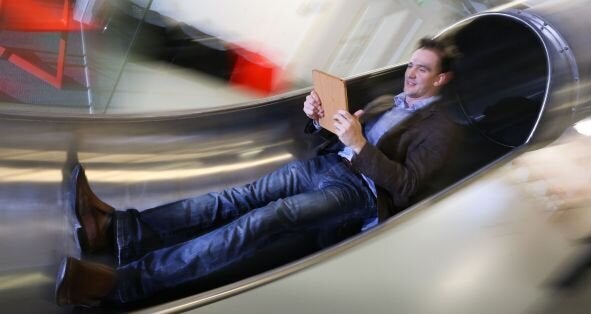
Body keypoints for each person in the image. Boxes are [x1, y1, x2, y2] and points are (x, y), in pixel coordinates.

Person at [55, 37, 459, 307]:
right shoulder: (389, 98)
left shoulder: (443, 129)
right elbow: (343, 133)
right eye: (412, 64)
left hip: (360, 194)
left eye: (423, 69)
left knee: (262, 220)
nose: (411, 72)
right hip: (330, 164)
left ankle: (125, 284)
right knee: (232, 198)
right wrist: (319, 118)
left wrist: (359, 144)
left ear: (441, 78)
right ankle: (116, 230)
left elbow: (405, 186)